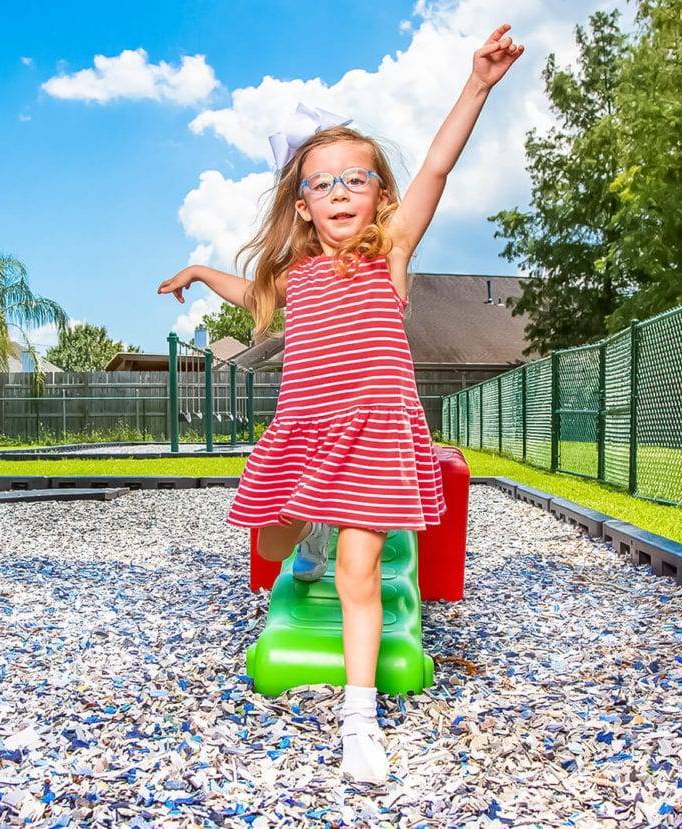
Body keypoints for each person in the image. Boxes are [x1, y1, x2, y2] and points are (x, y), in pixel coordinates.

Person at [158, 24, 524, 785]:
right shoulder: (294, 278)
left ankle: (360, 723)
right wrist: (199, 266)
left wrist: (478, 86)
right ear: (302, 206)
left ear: (378, 195)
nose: (340, 194)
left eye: (355, 180)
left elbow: (439, 166)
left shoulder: (391, 257)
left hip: (376, 437)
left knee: (362, 576)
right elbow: (247, 289)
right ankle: (309, 533)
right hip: (306, 434)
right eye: (322, 184)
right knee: (271, 547)